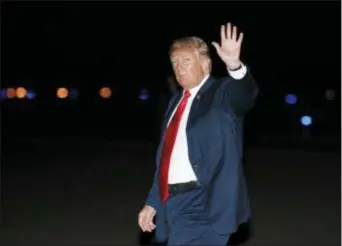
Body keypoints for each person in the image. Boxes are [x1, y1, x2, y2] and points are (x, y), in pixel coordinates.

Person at [138, 22, 258, 245]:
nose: (179, 68)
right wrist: (152, 202)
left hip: (205, 203)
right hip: (173, 203)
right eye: (175, 62)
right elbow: (167, 159)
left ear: (206, 63)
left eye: (186, 61)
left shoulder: (221, 94)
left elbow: (245, 95)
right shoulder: (175, 103)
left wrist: (234, 65)